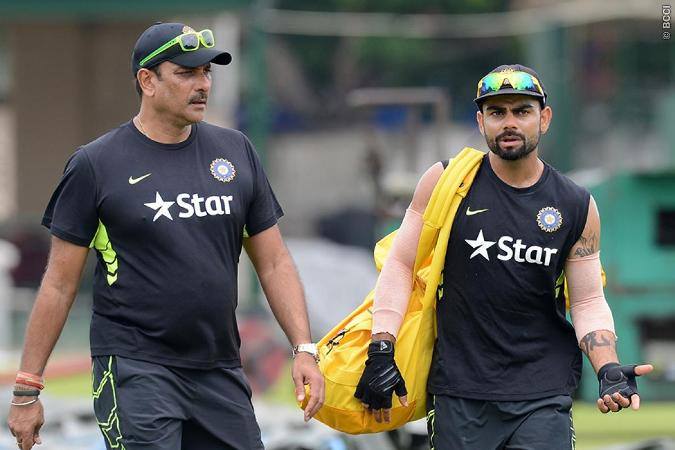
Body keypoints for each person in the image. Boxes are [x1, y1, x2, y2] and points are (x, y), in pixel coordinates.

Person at [6, 22, 324, 450]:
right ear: (147, 80)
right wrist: (27, 388)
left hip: (218, 368)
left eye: (206, 72)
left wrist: (304, 348)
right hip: (135, 369)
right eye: (186, 73)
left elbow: (274, 262)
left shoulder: (236, 152)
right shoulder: (95, 165)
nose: (202, 84)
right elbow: (59, 284)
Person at [354, 64, 653, 449]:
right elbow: (400, 264)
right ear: (481, 122)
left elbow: (587, 300)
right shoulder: (446, 183)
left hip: (543, 393)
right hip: (459, 394)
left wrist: (607, 366)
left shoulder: (576, 204)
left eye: (522, 111)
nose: (509, 122)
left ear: (544, 118)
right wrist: (381, 347)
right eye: (497, 112)